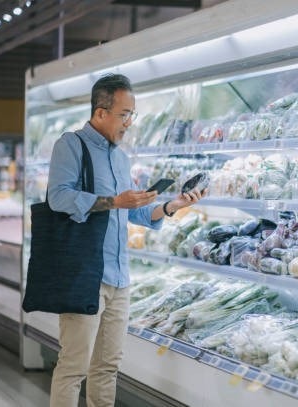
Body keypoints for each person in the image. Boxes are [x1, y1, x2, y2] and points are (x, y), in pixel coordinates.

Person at [47, 73, 205, 407]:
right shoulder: (70, 145)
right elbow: (58, 199)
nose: (129, 123)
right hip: (83, 276)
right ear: (101, 112)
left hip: (119, 278)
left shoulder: (120, 157)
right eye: (124, 114)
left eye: (133, 115)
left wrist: (171, 206)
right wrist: (114, 201)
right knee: (74, 367)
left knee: (107, 367)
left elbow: (132, 214)